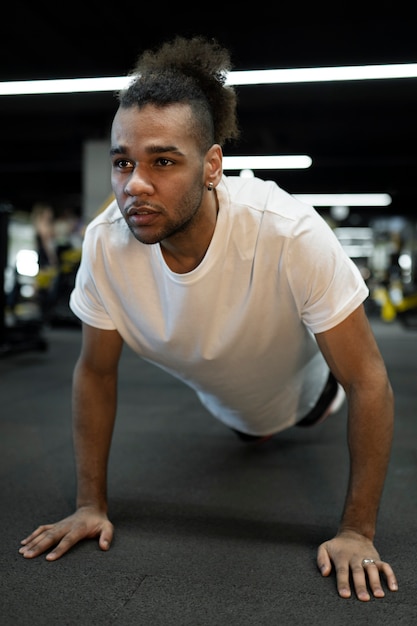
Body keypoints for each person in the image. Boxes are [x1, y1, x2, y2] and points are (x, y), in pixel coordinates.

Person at [19, 36, 398, 602]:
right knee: (249, 426)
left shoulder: (288, 232)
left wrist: (356, 532)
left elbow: (368, 380)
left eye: (163, 161)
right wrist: (89, 504)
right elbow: (95, 373)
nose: (134, 185)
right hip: (225, 398)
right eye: (123, 162)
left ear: (213, 165)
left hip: (310, 397)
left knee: (279, 420)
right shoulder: (105, 247)